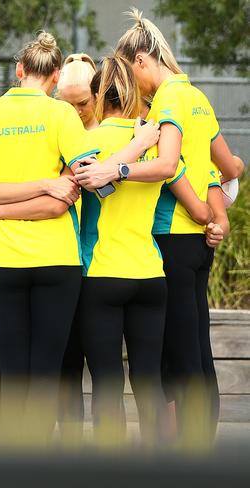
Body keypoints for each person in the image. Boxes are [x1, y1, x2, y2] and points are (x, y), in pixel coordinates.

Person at [0, 32, 160, 444]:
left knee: (13, 374)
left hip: (4, 263)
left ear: (18, 70)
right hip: (59, 262)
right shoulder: (62, 117)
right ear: (56, 76)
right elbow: (86, 180)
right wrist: (138, 144)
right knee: (45, 376)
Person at [112, 8, 245, 446]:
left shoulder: (168, 99)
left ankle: (191, 458)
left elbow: (167, 164)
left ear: (140, 62)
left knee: (180, 357)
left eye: (133, 78)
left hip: (170, 239)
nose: (135, 90)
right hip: (198, 246)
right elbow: (232, 167)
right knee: (197, 352)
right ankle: (198, 450)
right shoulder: (198, 97)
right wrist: (217, 213)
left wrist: (120, 170)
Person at [73, 55, 212, 448]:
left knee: (107, 385)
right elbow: (196, 183)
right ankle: (162, 468)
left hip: (100, 276)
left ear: (99, 98)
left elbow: (78, 186)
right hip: (151, 275)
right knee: (150, 381)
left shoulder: (87, 142)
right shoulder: (153, 144)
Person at [55, 52, 98, 444]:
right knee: (67, 365)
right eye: (66, 104)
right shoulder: (54, 131)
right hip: (65, 263)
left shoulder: (113, 134)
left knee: (104, 370)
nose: (75, 112)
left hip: (104, 268)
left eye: (82, 103)